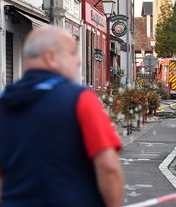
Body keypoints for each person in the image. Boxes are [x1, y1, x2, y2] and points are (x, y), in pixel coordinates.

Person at [0, 27, 123, 207]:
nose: (79, 60)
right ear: (50, 57)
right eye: (72, 53)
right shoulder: (80, 99)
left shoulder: (4, 103)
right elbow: (109, 168)